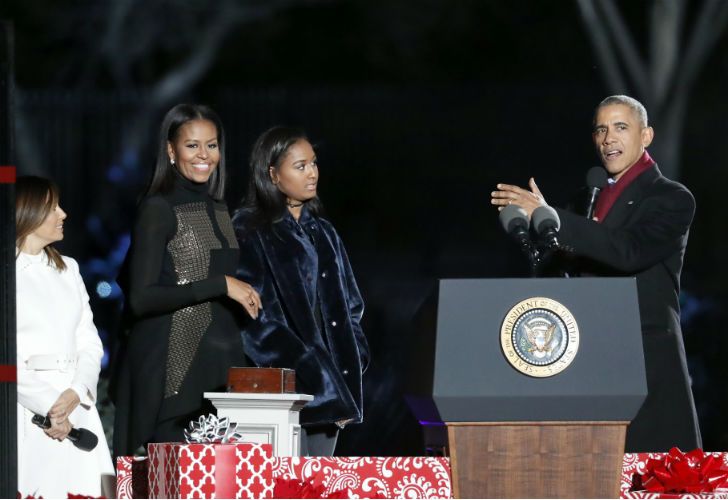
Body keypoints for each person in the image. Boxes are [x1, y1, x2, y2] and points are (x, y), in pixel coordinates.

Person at [491, 95, 701, 452]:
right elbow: (558, 276)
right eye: (601, 129)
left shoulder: (671, 197)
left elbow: (628, 252)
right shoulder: (584, 200)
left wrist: (557, 219)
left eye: (621, 127)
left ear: (646, 135)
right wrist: (537, 231)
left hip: (643, 364)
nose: (608, 138)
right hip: (582, 360)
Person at [112, 104, 261, 456]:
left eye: (211, 145)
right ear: (171, 150)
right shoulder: (157, 208)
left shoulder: (220, 208)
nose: (204, 155)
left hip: (220, 373)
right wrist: (222, 284)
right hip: (172, 375)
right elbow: (141, 298)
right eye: (192, 145)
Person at [232, 126, 369, 456]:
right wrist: (307, 367)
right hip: (281, 393)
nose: (312, 173)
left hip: (331, 395)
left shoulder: (324, 232)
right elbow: (252, 315)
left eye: (314, 163)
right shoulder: (250, 228)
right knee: (283, 486)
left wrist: (353, 357)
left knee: (317, 486)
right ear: (273, 174)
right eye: (300, 165)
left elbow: (350, 306)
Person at [15, 175, 114, 498]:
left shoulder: (68, 268)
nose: (63, 214)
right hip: (28, 409)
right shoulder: (7, 273)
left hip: (78, 405)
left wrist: (78, 390)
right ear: (26, 211)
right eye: (52, 207)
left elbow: (89, 339)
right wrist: (51, 408)